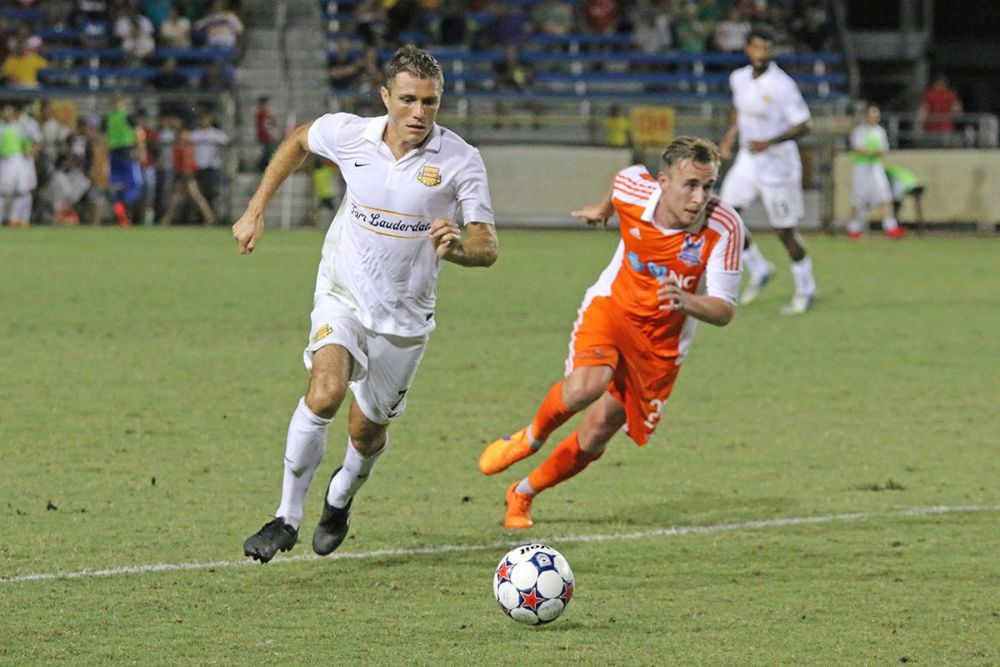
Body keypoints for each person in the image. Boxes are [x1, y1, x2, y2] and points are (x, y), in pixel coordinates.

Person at [235, 45, 498, 564]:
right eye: (408, 100)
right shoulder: (351, 133)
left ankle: (340, 499)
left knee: (366, 430)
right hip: (343, 293)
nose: (419, 113)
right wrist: (255, 209)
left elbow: (488, 246)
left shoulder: (460, 160)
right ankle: (286, 516)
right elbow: (298, 140)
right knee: (327, 390)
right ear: (385, 97)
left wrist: (459, 249)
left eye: (430, 102)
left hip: (404, 320)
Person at [478, 136, 742, 529]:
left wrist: (686, 301)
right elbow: (623, 179)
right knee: (586, 386)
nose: (700, 197)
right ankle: (529, 437)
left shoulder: (725, 227)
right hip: (613, 308)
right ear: (663, 181)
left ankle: (523, 493)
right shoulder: (636, 192)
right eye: (690, 185)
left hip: (661, 341)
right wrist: (603, 210)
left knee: (598, 431)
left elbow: (724, 310)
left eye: (708, 186)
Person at [718, 24, 817, 315]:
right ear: (748, 48)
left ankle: (806, 287)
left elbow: (804, 125)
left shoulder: (782, 85)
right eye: (757, 47)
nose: (761, 53)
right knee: (725, 217)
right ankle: (759, 268)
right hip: (748, 161)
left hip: (779, 167)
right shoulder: (738, 78)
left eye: (767, 48)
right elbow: (739, 109)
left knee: (784, 232)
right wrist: (729, 138)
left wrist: (769, 142)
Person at [847, 103, 904, 240]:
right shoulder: (859, 131)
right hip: (861, 169)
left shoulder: (880, 131)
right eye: (873, 114)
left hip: (875, 168)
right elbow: (858, 148)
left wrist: (873, 153)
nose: (875, 117)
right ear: (866, 116)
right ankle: (853, 229)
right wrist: (872, 153)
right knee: (858, 200)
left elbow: (884, 149)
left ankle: (890, 227)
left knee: (885, 197)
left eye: (877, 115)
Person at [884, 164, 924, 230]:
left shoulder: (887, 172)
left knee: (894, 203)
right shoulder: (897, 170)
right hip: (915, 184)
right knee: (895, 202)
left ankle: (895, 224)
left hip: (904, 185)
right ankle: (921, 226)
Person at [255, 96, 278, 173]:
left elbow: (271, 124)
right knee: (267, 151)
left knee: (268, 151)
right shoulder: (261, 113)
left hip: (267, 135)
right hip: (264, 136)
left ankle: (264, 167)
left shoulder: (266, 113)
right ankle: (261, 167)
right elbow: (264, 125)